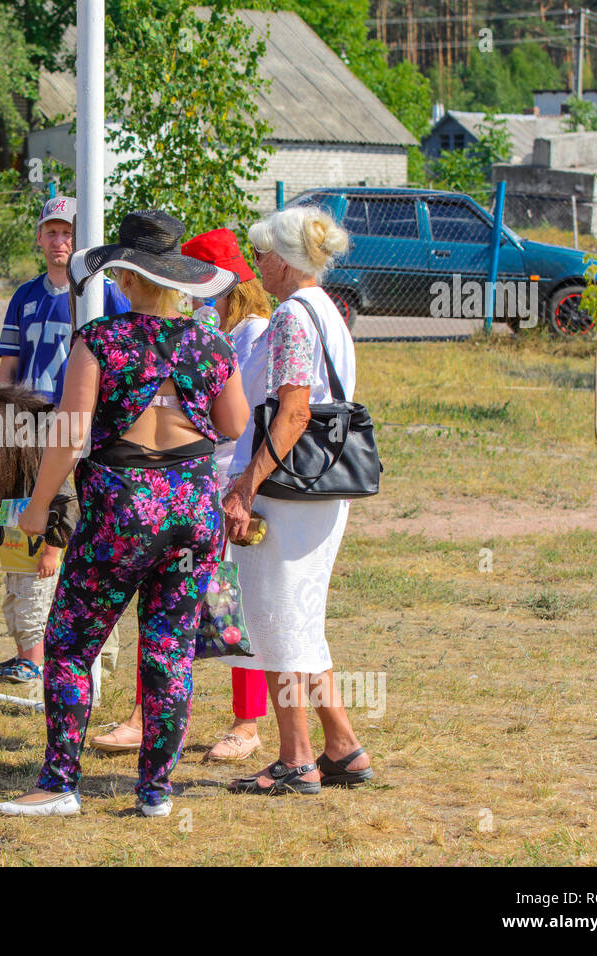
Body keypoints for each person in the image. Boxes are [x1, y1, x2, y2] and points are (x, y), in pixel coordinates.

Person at [0, 210, 249, 818]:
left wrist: (38, 505)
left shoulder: (100, 340)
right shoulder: (209, 340)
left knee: (71, 644)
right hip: (193, 508)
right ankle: (155, 792)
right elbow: (234, 424)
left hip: (120, 512)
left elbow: (70, 433)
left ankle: (59, 785)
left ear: (125, 277)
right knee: (169, 651)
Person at [89, 228, 274, 763]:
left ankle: (247, 723)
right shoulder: (209, 329)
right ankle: (147, 718)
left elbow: (245, 420)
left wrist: (242, 488)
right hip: (195, 486)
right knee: (178, 609)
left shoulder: (248, 333)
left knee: (232, 605)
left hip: (226, 483)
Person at [222, 205, 376, 795]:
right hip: (325, 486)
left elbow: (293, 411)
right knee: (301, 619)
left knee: (276, 623)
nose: (256, 263)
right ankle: (342, 746)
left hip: (287, 487)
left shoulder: (289, 316)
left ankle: (296, 758)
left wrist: (247, 483)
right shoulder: (330, 311)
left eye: (262, 253)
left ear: (285, 262)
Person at [0, 195, 131, 686]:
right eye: (51, 231)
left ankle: (93, 645)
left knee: (80, 526)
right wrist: (3, 418)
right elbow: (8, 365)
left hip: (84, 426)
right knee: (22, 518)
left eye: (68, 232)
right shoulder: (25, 296)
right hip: (28, 425)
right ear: (38, 237)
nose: (59, 241)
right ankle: (29, 647)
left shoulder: (107, 295)